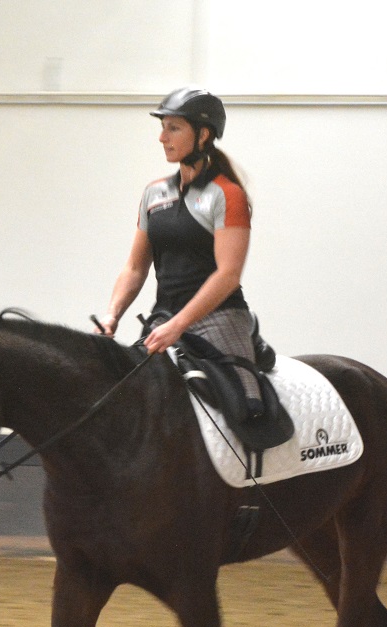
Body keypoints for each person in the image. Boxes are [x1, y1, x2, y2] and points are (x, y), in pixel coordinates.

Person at [94, 87, 264, 408]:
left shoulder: (227, 195)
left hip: (219, 320)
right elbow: (135, 267)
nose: (162, 137)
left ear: (203, 135)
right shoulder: (154, 193)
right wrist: (112, 316)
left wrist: (179, 325)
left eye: (173, 128)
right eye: (162, 127)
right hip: (165, 321)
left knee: (245, 410)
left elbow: (228, 275)